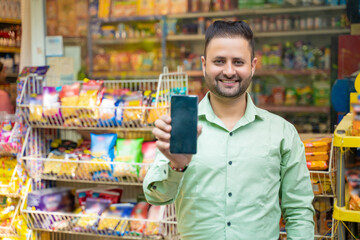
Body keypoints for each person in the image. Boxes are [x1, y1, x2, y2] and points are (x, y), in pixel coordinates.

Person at [143, 20, 314, 239]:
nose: (229, 71)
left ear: (253, 66)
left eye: (238, 62)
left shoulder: (282, 133)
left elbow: (299, 211)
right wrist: (176, 166)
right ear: (204, 64)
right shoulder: (180, 127)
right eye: (219, 61)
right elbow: (155, 197)